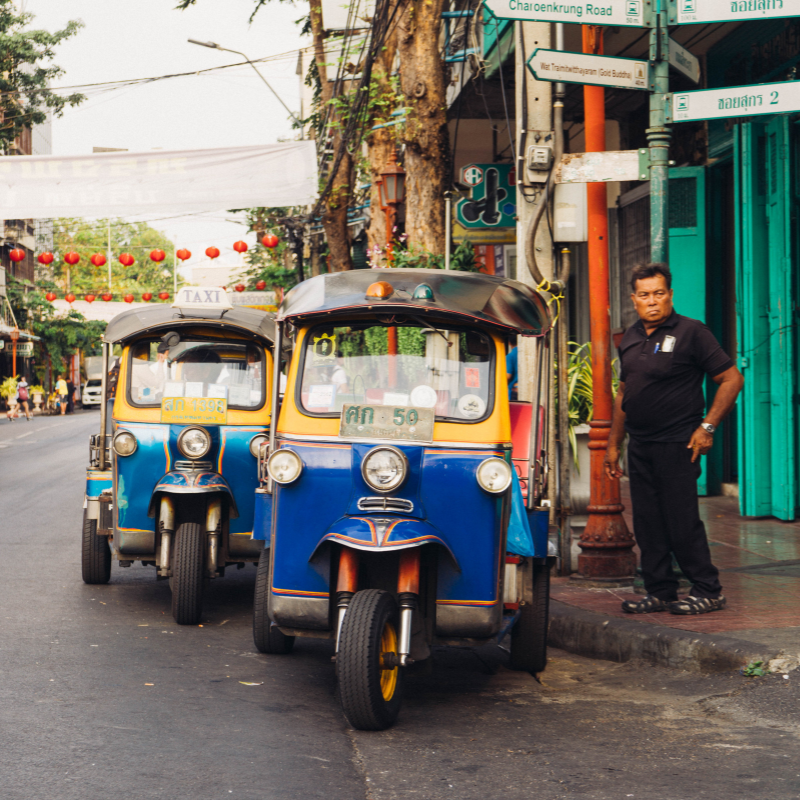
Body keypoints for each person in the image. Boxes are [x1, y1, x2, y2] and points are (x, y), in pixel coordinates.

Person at [604, 263, 743, 616]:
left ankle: (708, 590)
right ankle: (660, 590)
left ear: (670, 295)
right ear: (634, 299)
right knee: (648, 523)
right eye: (645, 295)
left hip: (680, 443)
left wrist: (707, 427)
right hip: (641, 444)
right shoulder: (632, 337)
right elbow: (624, 393)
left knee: (681, 521)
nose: (653, 301)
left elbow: (731, 379)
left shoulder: (692, 332)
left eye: (660, 293)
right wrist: (613, 444)